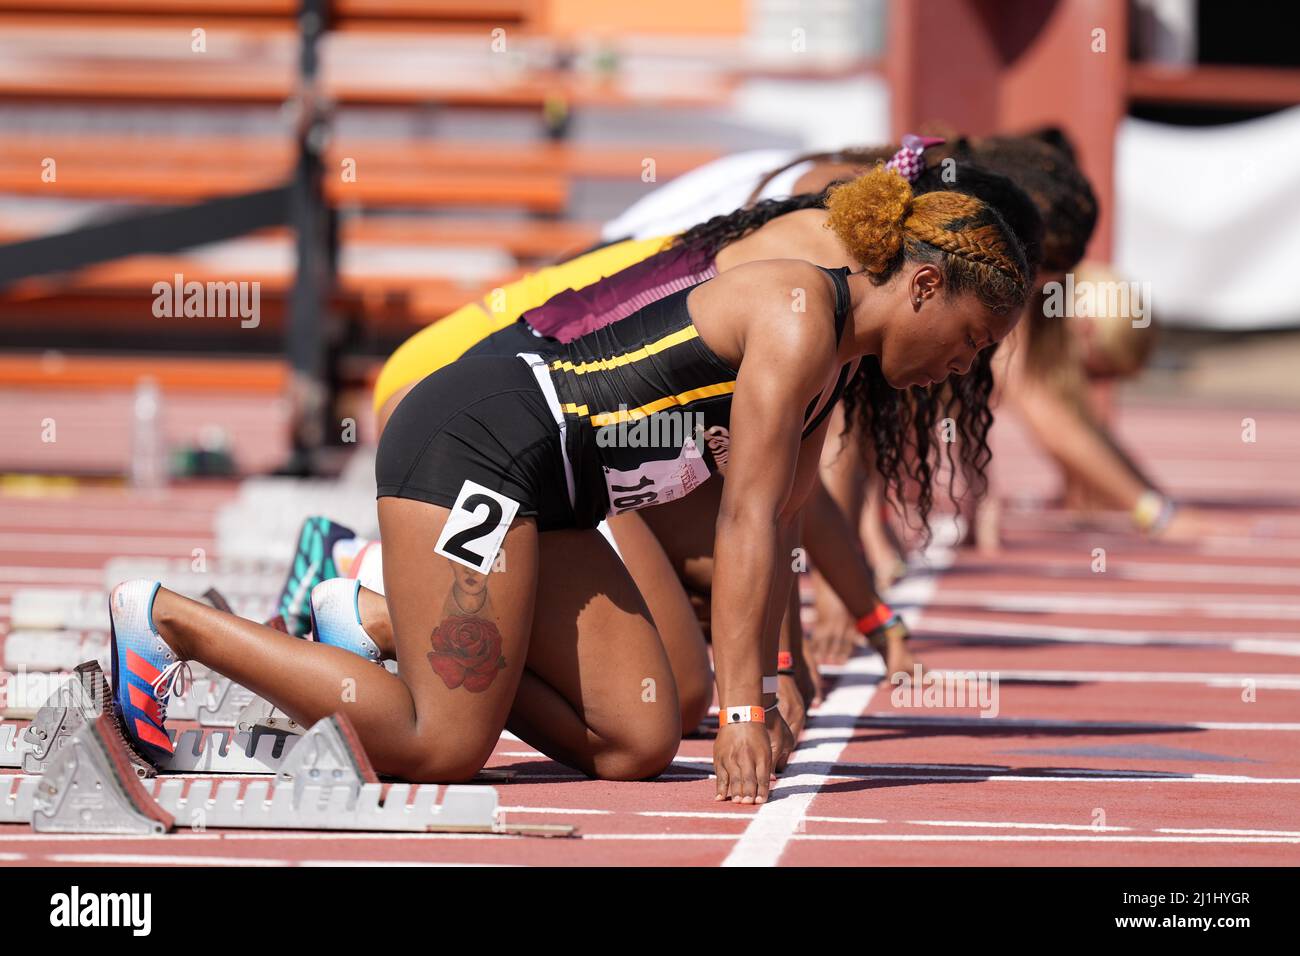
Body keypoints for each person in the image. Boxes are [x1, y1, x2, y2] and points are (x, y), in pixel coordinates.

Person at [109, 166, 1031, 804]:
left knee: (638, 740)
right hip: (479, 446)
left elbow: (781, 522)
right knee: (443, 747)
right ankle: (166, 620)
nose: (962, 364)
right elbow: (743, 518)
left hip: (557, 499)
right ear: (922, 287)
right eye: (972, 338)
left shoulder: (836, 362)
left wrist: (781, 674)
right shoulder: (797, 316)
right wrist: (746, 708)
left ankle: (372, 621)